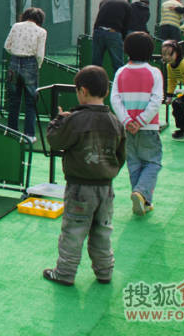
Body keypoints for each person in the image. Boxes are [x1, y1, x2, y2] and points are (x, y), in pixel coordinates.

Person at [42, 65, 126, 286]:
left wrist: (59, 120)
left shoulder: (75, 119)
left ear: (83, 91)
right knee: (102, 231)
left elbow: (55, 140)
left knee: (73, 231)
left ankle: (65, 273)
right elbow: (121, 155)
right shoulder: (115, 121)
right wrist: (108, 172)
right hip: (106, 188)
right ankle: (105, 271)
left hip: (79, 187)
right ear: (106, 91)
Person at [110, 32, 163, 216]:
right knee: (152, 163)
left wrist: (127, 121)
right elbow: (156, 101)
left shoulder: (120, 72)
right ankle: (141, 194)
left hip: (127, 128)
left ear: (126, 50)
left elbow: (115, 99)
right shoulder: (154, 72)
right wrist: (140, 121)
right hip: (148, 127)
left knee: (134, 163)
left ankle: (142, 200)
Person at [4, 7, 47, 142]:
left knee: (14, 100)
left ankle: (11, 132)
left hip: (14, 63)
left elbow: (7, 46)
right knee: (30, 101)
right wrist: (37, 66)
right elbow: (39, 54)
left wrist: (15, 55)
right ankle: (29, 135)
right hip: (30, 64)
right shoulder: (41, 31)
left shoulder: (16, 26)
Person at [92, 0, 131, 73]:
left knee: (96, 62)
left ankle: (94, 80)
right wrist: (123, 38)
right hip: (113, 33)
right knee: (118, 63)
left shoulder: (104, 1)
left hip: (98, 31)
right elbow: (126, 24)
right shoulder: (126, 5)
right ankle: (119, 80)